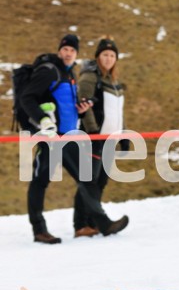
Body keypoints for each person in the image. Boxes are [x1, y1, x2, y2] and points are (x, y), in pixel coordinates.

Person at [20, 33, 128, 244]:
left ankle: (97, 224)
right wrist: (43, 121)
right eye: (66, 49)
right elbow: (27, 98)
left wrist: (80, 111)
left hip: (69, 137)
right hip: (51, 137)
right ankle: (39, 230)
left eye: (72, 50)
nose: (69, 53)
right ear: (60, 50)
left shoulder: (68, 75)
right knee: (40, 181)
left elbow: (66, 108)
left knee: (86, 178)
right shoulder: (49, 71)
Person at [74, 37, 126, 237]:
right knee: (88, 181)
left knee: (101, 181)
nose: (108, 58)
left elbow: (118, 112)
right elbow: (83, 105)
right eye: (105, 54)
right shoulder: (90, 77)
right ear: (98, 56)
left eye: (112, 55)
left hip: (110, 138)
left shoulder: (114, 82)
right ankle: (81, 225)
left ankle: (92, 222)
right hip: (93, 138)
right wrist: (93, 132)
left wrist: (123, 135)